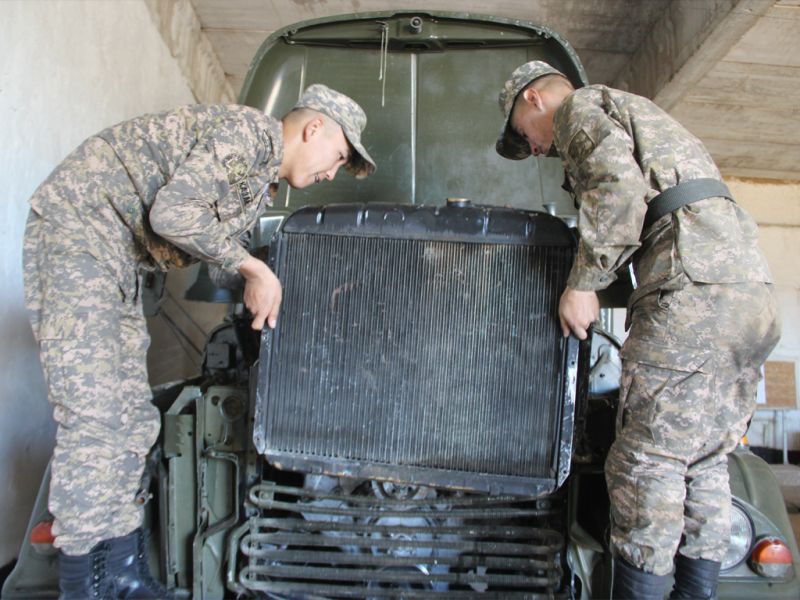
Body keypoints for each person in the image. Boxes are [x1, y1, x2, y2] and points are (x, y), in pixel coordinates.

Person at [22, 83, 376, 599]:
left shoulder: (257, 185)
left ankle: (122, 573)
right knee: (95, 416)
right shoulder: (250, 133)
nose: (332, 173)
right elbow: (173, 215)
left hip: (116, 260)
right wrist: (254, 265)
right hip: (83, 234)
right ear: (314, 127)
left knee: (131, 417)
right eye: (340, 158)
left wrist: (301, 291)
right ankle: (85, 586)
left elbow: (220, 260)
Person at [495, 61, 780, 599]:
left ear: (533, 97)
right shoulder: (637, 114)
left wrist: (583, 283)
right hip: (746, 293)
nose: (531, 147)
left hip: (692, 293)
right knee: (704, 460)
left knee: (645, 462)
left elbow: (619, 192)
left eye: (520, 134)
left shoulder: (581, 107)